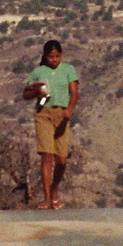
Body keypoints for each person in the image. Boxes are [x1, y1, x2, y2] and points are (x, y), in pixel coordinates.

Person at [22, 38, 80, 209]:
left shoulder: (69, 70)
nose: (54, 60)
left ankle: (54, 188)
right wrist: (35, 93)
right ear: (45, 57)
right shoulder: (38, 72)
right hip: (44, 114)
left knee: (61, 160)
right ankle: (47, 197)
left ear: (61, 55)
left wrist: (69, 109)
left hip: (62, 115)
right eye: (50, 57)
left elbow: (74, 93)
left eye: (57, 56)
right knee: (47, 156)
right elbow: (26, 93)